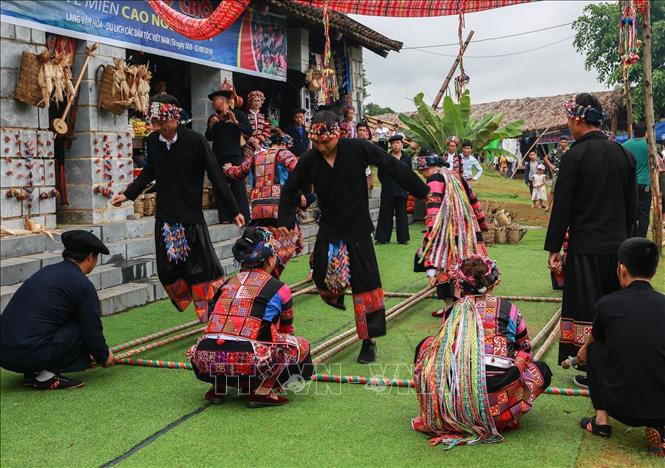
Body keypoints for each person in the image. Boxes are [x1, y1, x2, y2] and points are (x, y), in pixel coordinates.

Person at [277, 111, 429, 364]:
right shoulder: (309, 160)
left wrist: (422, 190)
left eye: (326, 142)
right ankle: (335, 291)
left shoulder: (358, 148)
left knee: (366, 286)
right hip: (330, 226)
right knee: (321, 275)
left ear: (337, 135)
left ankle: (369, 340)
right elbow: (290, 188)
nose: (322, 147)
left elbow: (392, 166)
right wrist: (284, 219)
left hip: (358, 228)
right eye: (317, 143)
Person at [112, 96, 245, 323]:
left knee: (203, 270)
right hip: (165, 218)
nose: (156, 128)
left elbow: (216, 175)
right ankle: (192, 300)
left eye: (159, 123)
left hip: (190, 217)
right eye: (153, 123)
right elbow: (148, 171)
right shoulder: (154, 141)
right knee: (167, 270)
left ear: (174, 120)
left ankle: (213, 316)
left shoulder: (195, 141)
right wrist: (128, 194)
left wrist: (234, 209)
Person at [545, 93, 637, 388]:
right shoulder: (624, 154)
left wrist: (554, 247)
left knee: (587, 310)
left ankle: (592, 368)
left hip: (585, 247)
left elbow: (563, 206)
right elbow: (631, 206)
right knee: (614, 306)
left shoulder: (574, 156)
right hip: (618, 247)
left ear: (577, 118)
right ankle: (614, 363)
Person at [412, 257, 552, 448]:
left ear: (459, 284)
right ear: (492, 282)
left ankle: (443, 411)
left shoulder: (453, 310)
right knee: (541, 369)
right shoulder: (508, 309)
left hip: (456, 406)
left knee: (426, 346)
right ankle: (506, 416)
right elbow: (526, 348)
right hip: (496, 404)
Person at [190, 227, 313, 407]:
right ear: (270, 259)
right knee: (298, 346)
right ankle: (262, 391)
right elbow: (287, 331)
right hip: (247, 361)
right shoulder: (279, 288)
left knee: (223, 335)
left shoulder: (227, 284)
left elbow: (212, 320)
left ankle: (219, 388)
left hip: (204, 360)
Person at [575, 238, 665, 457]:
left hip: (618, 404)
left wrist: (583, 351)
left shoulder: (608, 303)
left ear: (622, 270)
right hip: (660, 405)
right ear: (654, 271)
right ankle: (659, 425)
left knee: (595, 346)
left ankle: (601, 421)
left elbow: (595, 340)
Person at [0, 230, 114, 390]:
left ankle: (34, 372)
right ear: (90, 257)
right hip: (27, 352)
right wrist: (104, 356)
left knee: (50, 321)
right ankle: (46, 375)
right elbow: (91, 330)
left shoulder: (46, 272)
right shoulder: (82, 284)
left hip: (4, 353)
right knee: (80, 327)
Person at [224, 131, 307, 278]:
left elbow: (238, 172)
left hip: (257, 209)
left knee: (260, 239)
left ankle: (255, 274)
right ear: (283, 144)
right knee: (289, 238)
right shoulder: (283, 154)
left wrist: (228, 168)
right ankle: (271, 276)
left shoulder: (256, 156)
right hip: (279, 207)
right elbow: (300, 168)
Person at [413, 153, 488, 315]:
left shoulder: (434, 179)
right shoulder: (456, 176)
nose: (422, 175)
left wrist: (430, 236)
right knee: (469, 267)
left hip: (448, 233)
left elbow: (433, 211)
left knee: (447, 267)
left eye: (421, 172)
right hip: (468, 230)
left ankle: (451, 309)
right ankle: (471, 307)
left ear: (427, 168)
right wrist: (481, 223)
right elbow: (474, 200)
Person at [204, 87, 253, 223]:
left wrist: (236, 122)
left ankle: (244, 217)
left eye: (215, 100)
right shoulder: (213, 117)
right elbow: (208, 137)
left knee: (238, 187)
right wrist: (211, 126)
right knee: (220, 186)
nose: (213, 103)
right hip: (217, 156)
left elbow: (249, 131)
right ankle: (225, 217)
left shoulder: (238, 114)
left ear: (223, 101)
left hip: (234, 155)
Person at [375, 134, 412, 245]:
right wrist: (387, 184)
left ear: (402, 144)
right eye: (393, 143)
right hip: (388, 190)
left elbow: (409, 174)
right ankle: (382, 238)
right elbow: (380, 174)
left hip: (401, 190)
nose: (396, 145)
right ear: (391, 145)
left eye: (398, 143)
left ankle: (403, 239)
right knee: (385, 214)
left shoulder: (406, 158)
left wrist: (406, 186)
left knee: (402, 215)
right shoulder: (386, 157)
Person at [622, 122, 651, 237]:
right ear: (646, 132)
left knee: (631, 212)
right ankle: (641, 240)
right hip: (645, 184)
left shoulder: (624, 146)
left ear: (633, 131)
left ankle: (631, 237)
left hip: (630, 184)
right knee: (644, 215)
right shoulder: (649, 146)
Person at [544, 136, 569, 212]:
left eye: (565, 142)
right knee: (553, 190)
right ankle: (548, 206)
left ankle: (565, 207)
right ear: (559, 142)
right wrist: (550, 165)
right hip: (557, 173)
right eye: (562, 142)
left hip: (568, 173)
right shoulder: (555, 150)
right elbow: (545, 158)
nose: (563, 144)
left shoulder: (570, 151)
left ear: (567, 143)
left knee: (567, 191)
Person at [356, 121, 375, 190]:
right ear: (356, 131)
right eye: (360, 130)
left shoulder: (369, 144)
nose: (361, 132)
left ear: (366, 131)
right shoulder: (352, 143)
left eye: (363, 130)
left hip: (366, 172)